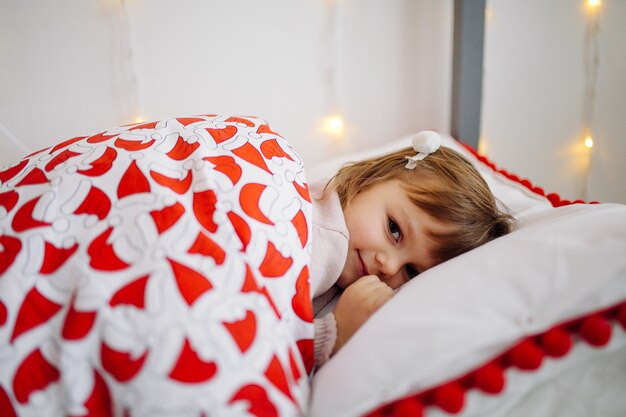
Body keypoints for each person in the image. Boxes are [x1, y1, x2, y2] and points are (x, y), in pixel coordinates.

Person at [308, 131, 516, 367]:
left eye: (412, 271)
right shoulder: (319, 235)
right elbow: (264, 347)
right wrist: (335, 333)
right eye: (394, 229)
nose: (389, 266)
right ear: (372, 178)